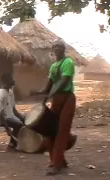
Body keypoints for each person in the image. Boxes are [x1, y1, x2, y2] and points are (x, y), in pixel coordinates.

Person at [30, 39, 76, 176]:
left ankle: (57, 165)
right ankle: (58, 160)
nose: (56, 48)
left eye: (59, 46)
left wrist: (50, 94)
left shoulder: (68, 62)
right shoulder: (53, 66)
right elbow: (49, 85)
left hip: (67, 98)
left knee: (62, 130)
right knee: (51, 130)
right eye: (54, 46)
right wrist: (41, 97)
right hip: (56, 99)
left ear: (63, 48)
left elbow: (63, 82)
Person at [0, 73, 25, 151]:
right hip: (1, 119)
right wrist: (7, 129)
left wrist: (22, 116)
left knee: (25, 120)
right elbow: (0, 113)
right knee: (18, 124)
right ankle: (12, 145)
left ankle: (23, 143)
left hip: (10, 116)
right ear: (6, 81)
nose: (14, 80)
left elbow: (13, 108)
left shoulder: (10, 92)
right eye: (12, 78)